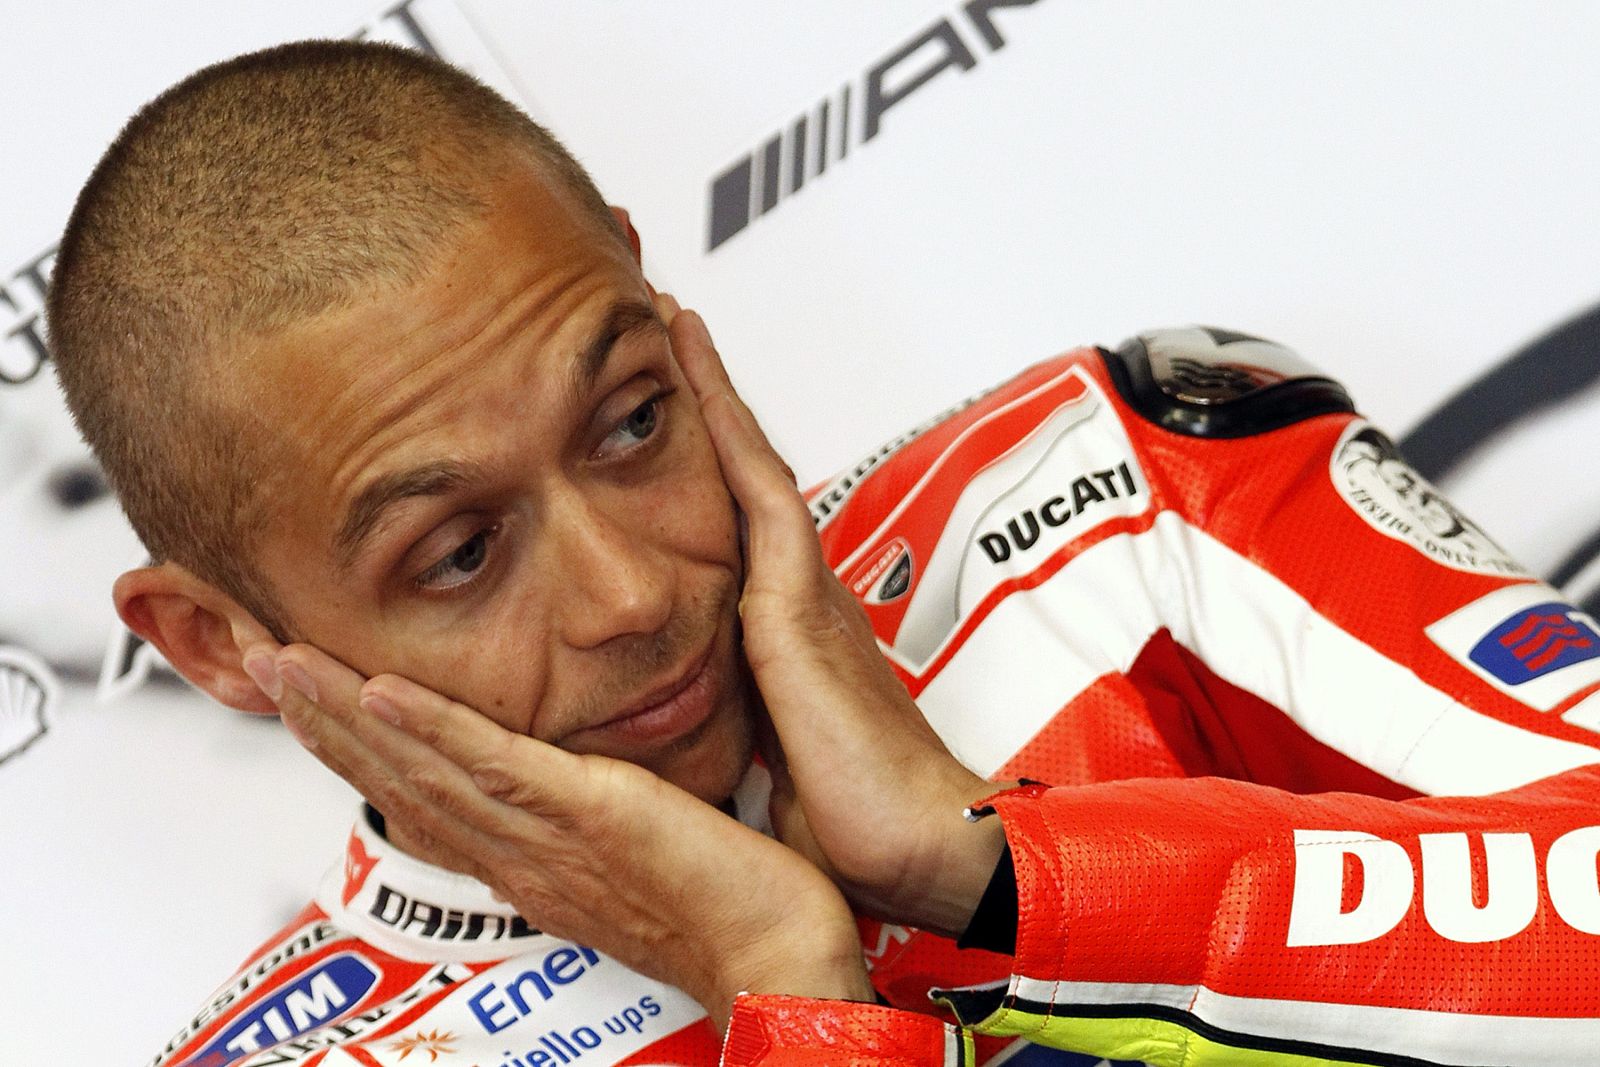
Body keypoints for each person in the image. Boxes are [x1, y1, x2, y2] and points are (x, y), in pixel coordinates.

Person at [47, 40, 1600, 1067]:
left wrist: (990, 867)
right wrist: (785, 985)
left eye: (633, 421)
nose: (634, 594)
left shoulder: (1121, 491)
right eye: (458, 555)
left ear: (651, 294)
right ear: (217, 645)